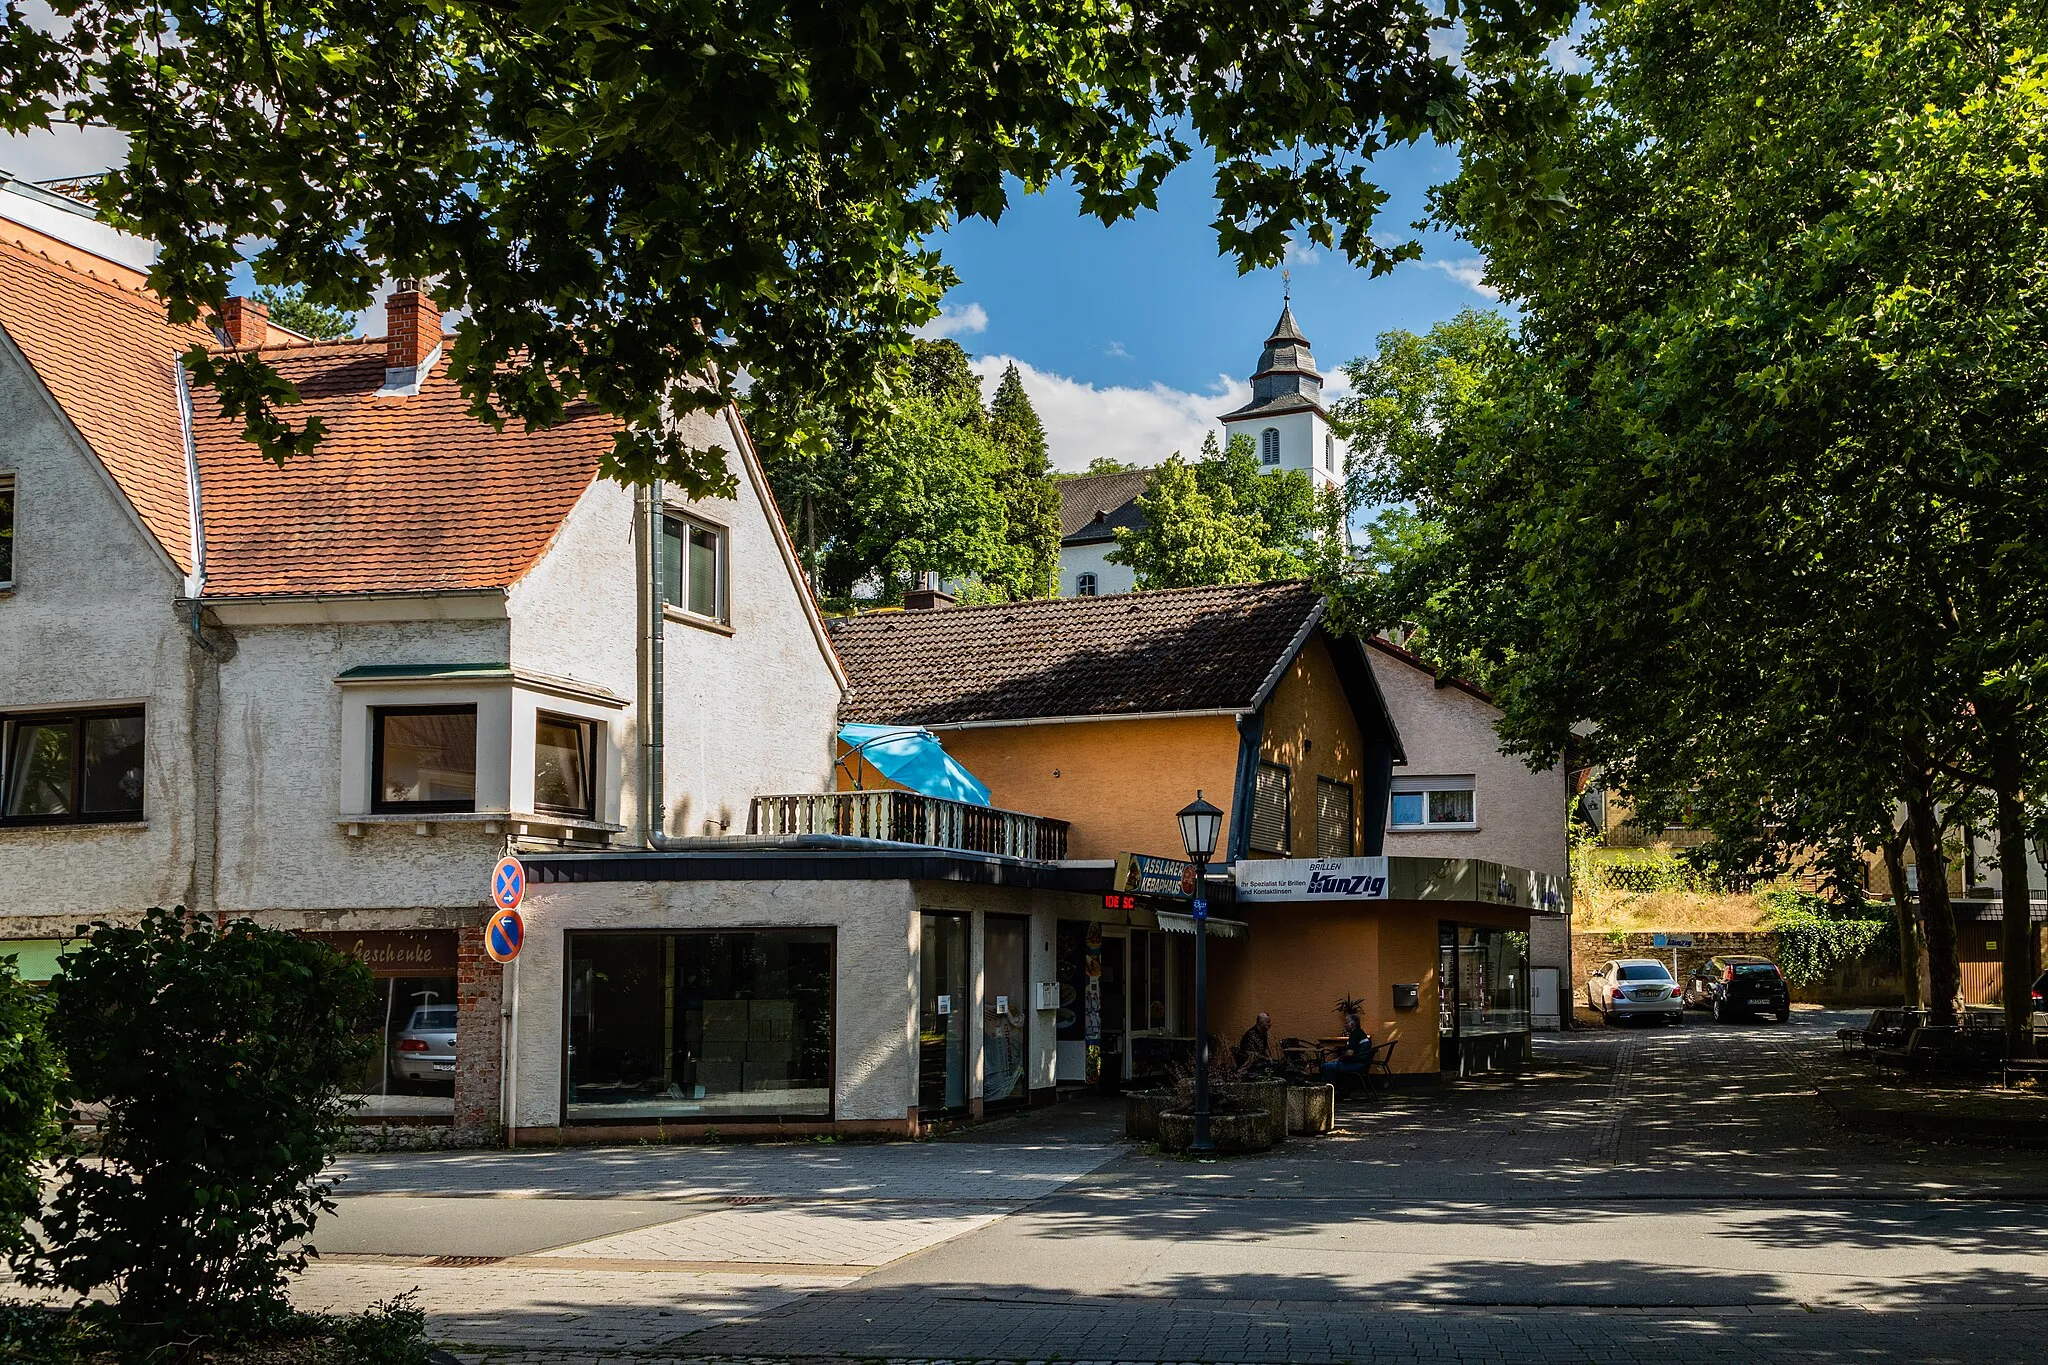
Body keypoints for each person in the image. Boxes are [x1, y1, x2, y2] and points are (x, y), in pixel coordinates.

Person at [1320, 1003, 1373, 1096]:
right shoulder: (1360, 1033)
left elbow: (1349, 1053)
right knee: (1331, 1065)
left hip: (1358, 1065)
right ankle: (1339, 1090)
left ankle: (1331, 1092)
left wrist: (1338, 1059)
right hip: (1362, 1064)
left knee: (1326, 1066)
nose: (1345, 1025)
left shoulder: (1354, 1034)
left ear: (1352, 1025)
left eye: (1346, 1023)